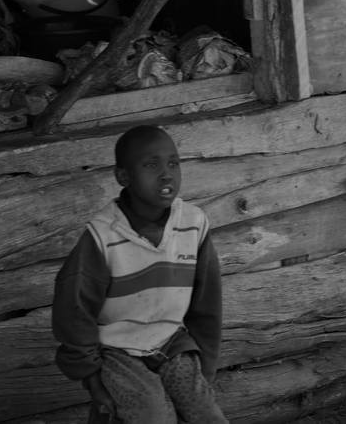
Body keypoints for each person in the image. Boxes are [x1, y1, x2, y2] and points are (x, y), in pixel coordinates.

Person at [52, 124, 226, 424]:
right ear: (123, 176)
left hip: (171, 342)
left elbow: (206, 302)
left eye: (173, 163)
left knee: (205, 413)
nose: (166, 174)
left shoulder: (193, 224)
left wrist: (206, 366)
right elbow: (73, 311)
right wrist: (92, 380)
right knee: (154, 416)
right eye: (151, 165)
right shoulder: (102, 236)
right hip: (116, 350)